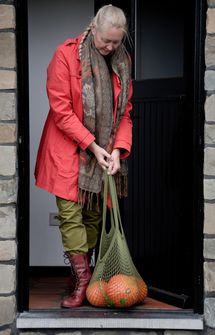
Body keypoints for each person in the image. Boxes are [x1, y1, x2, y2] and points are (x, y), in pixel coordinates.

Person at [34, 4, 133, 308]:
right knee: (70, 214)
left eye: (117, 42)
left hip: (104, 153)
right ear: (93, 28)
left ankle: (80, 274)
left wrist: (117, 150)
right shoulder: (66, 55)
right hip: (68, 149)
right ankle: (84, 279)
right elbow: (61, 112)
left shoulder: (122, 61)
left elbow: (126, 112)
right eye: (106, 40)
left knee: (92, 215)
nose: (110, 47)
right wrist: (93, 145)